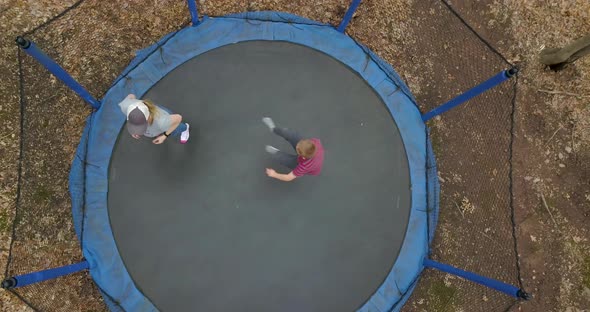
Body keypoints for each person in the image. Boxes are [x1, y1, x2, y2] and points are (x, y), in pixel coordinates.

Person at [262, 117, 325, 182]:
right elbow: (301, 144)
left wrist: (274, 174)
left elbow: (288, 177)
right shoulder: (315, 142)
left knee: (282, 158)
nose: (297, 144)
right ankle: (273, 129)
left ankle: (276, 153)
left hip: (303, 163)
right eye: (299, 143)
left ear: (302, 156)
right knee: (288, 134)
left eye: (297, 148)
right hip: (306, 153)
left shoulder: (304, 166)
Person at [118, 94, 190, 144]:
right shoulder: (125, 106)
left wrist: (165, 136)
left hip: (162, 119)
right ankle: (158, 132)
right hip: (152, 110)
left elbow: (178, 118)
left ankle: (185, 128)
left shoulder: (161, 122)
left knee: (176, 128)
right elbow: (131, 96)